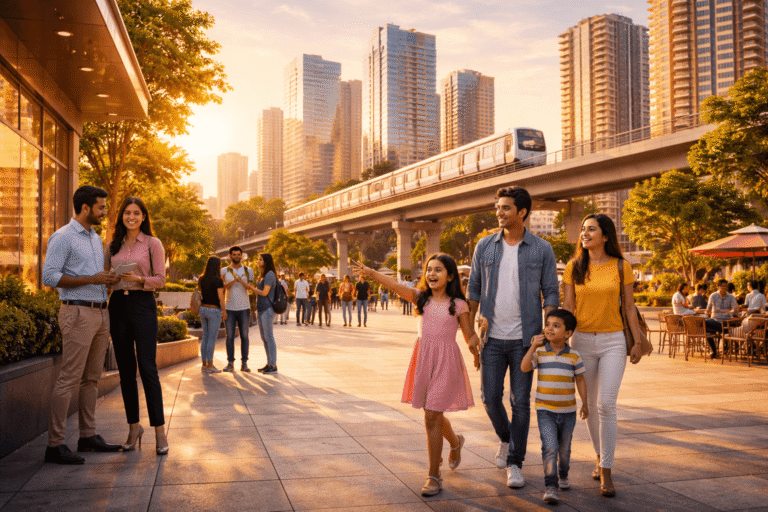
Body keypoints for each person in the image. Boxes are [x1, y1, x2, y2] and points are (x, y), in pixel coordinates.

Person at [352, 254, 477, 498]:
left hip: (446, 362)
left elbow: (468, 335)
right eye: (429, 269)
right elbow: (395, 285)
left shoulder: (459, 304)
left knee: (432, 415)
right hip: (424, 360)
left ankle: (433, 475)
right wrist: (371, 273)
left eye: (438, 270)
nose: (432, 274)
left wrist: (477, 345)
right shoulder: (420, 298)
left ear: (450, 276)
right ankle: (455, 442)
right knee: (434, 414)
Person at [467, 186, 559, 489]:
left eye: (506, 208)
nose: (499, 212)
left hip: (526, 342)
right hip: (491, 338)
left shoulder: (541, 249)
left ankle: (516, 462)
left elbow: (551, 293)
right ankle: (506, 438)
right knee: (490, 399)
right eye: (498, 207)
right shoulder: (485, 246)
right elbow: (474, 292)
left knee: (521, 404)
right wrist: (470, 332)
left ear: (522, 212)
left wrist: (548, 332)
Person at [562, 213, 645, 498]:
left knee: (606, 404)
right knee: (589, 404)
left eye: (591, 230)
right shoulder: (574, 268)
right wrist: (557, 341)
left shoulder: (621, 266)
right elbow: (569, 308)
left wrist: (635, 341)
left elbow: (630, 307)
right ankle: (599, 456)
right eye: (583, 229)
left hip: (613, 342)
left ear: (605, 236)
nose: (584, 233)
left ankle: (606, 470)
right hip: (582, 342)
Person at [41, 186, 122, 464]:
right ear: (86, 208)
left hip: (100, 313)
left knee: (92, 379)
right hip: (77, 314)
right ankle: (55, 445)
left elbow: (94, 276)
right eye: (101, 207)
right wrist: (93, 279)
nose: (104, 212)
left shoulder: (95, 237)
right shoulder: (63, 237)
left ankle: (88, 436)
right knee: (69, 379)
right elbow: (49, 276)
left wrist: (107, 280)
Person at [105, 197, 168, 455]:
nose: (131, 217)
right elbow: (105, 281)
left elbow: (161, 280)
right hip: (118, 305)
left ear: (143, 217)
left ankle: (160, 432)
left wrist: (140, 279)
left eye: (136, 213)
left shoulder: (153, 244)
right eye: (127, 213)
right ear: (122, 216)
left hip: (143, 306)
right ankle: (133, 427)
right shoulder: (111, 246)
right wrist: (111, 279)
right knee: (126, 372)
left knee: (148, 368)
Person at [521, 309, 588, 505]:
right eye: (548, 324)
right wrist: (533, 346)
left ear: (568, 333)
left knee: (564, 450)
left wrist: (585, 403)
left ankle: (563, 474)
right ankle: (551, 486)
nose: (549, 329)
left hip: (568, 412)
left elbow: (581, 380)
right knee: (549, 448)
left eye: (556, 326)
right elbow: (524, 367)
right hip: (545, 410)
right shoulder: (541, 352)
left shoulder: (574, 356)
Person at [221, 246, 253, 373]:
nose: (236, 256)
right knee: (229, 336)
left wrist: (242, 282)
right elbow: (223, 287)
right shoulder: (224, 270)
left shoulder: (248, 270)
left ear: (241, 255)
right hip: (229, 307)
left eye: (238, 254)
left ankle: (244, 363)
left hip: (244, 307)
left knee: (244, 336)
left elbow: (250, 288)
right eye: (234, 254)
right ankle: (230, 363)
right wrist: (234, 280)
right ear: (230, 255)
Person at [245, 254, 278, 374]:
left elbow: (264, 293)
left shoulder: (269, 275)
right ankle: (269, 363)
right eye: (258, 259)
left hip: (267, 310)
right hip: (260, 309)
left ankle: (273, 365)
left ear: (266, 262)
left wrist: (252, 288)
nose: (257, 261)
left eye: (260, 259)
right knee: (264, 338)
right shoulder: (262, 276)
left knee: (269, 337)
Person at [198, 257, 226, 374]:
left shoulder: (201, 279)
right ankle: (210, 365)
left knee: (205, 337)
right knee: (212, 339)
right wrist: (224, 310)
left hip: (203, 309)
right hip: (214, 310)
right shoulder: (218, 280)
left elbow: (202, 292)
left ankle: (204, 365)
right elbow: (220, 297)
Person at [705, 279, 740, 358]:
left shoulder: (731, 297)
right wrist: (709, 312)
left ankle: (722, 336)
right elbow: (708, 309)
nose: (724, 288)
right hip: (715, 319)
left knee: (715, 327)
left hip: (726, 320)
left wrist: (733, 310)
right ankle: (715, 350)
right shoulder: (713, 296)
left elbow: (735, 308)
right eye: (722, 286)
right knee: (705, 323)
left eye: (726, 286)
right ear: (718, 287)